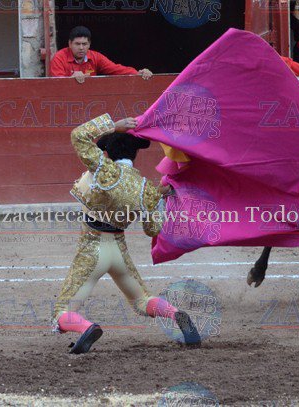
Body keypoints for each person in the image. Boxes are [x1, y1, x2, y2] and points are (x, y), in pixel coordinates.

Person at [51, 114, 201, 353]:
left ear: (107, 152)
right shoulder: (145, 188)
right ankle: (175, 314)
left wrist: (113, 125)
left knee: (63, 310)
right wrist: (158, 198)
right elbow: (152, 230)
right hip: (119, 253)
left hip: (92, 250)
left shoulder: (103, 169)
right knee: (142, 300)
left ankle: (87, 328)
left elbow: (78, 135)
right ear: (134, 154)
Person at [49, 26, 153, 84]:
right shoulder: (59, 57)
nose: (81, 47)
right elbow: (56, 84)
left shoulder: (96, 57)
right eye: (77, 44)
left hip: (91, 98)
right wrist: (70, 79)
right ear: (70, 44)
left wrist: (137, 73)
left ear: (89, 44)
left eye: (84, 44)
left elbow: (116, 69)